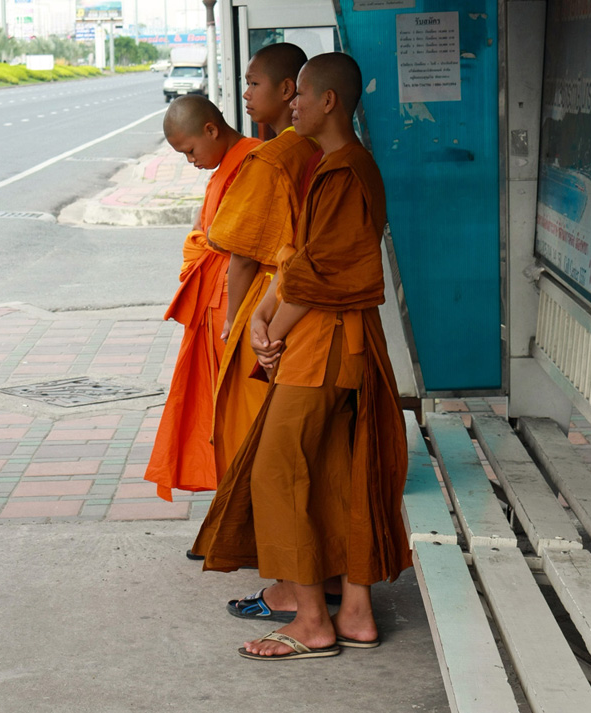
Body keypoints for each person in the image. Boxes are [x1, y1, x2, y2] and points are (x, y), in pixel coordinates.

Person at [191, 52, 412, 661]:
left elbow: (324, 272)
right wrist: (266, 308)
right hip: (333, 337)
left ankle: (312, 620)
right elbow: (304, 256)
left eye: (301, 97)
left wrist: (268, 324)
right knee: (343, 468)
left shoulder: (345, 170)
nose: (292, 105)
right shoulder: (338, 166)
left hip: (325, 342)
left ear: (328, 102)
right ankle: (358, 614)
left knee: (276, 469)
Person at [209, 42, 321, 489]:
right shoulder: (322, 146)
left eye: (253, 83)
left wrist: (236, 318)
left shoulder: (271, 158)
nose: (246, 94)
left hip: (269, 299)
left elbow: (241, 255)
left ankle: (248, 525)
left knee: (250, 418)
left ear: (287, 88)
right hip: (312, 301)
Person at [143, 95, 261, 502]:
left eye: (191, 150)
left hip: (237, 307)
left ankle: (245, 517)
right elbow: (209, 231)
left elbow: (244, 249)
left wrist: (236, 317)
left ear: (211, 129)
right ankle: (231, 511)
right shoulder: (225, 168)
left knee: (240, 416)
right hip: (215, 307)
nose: (190, 161)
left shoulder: (253, 162)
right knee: (215, 416)